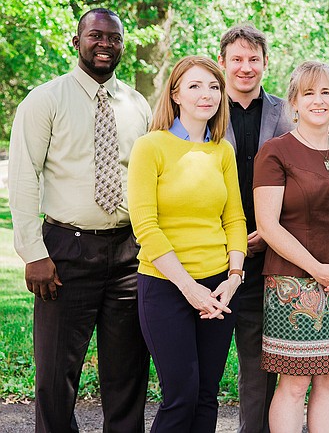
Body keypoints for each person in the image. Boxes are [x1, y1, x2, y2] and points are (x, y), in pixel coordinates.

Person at [8, 8, 151, 432]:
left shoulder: (137, 104)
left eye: (114, 38)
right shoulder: (45, 99)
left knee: (127, 375)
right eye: (95, 35)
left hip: (129, 253)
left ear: (124, 45)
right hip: (64, 252)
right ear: (77, 41)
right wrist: (34, 253)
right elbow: (22, 177)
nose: (105, 44)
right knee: (55, 375)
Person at [253, 61, 329, 433]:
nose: (318, 101)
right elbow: (268, 225)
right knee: (294, 384)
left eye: (326, 92)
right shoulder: (275, 153)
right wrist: (316, 269)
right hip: (293, 286)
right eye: (309, 93)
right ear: (294, 102)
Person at [128, 56, 248, 431]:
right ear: (175, 93)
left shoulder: (222, 151)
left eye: (214, 86)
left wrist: (233, 277)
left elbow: (235, 219)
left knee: (206, 397)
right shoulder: (151, 147)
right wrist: (189, 288)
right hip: (166, 287)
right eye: (195, 86)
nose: (206, 94)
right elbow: (145, 226)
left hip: (219, 289)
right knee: (180, 397)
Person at [218, 24, 293, 433]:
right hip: (211, 255)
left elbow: (298, 181)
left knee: (259, 367)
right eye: (237, 60)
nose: (245, 68)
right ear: (222, 63)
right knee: (202, 369)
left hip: (267, 255)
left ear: (266, 63)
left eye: (253, 60)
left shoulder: (285, 112)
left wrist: (270, 230)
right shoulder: (204, 107)